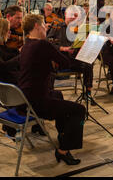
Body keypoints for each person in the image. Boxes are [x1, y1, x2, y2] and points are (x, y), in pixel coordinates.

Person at [18, 14, 85, 165]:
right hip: (38, 102)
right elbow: (65, 62)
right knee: (79, 110)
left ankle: (62, 135)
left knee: (58, 94)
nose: (46, 27)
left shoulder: (25, 45)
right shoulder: (43, 45)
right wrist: (80, 52)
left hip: (24, 99)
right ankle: (63, 150)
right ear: (36, 26)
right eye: (43, 25)